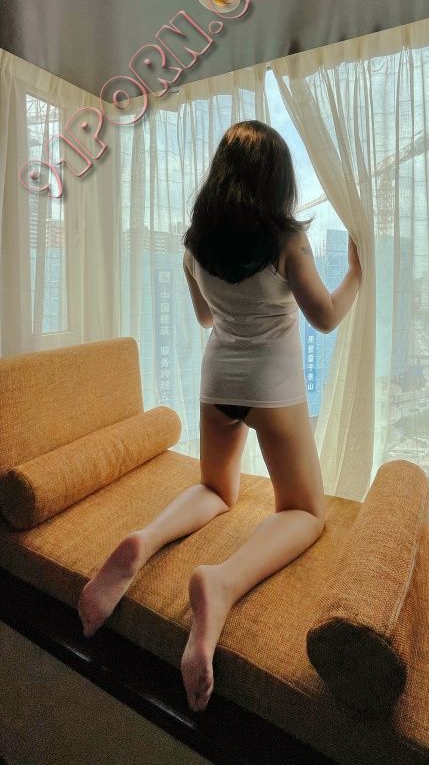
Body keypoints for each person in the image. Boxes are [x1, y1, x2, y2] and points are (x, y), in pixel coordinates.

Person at [77, 119, 362, 713]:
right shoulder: (287, 239)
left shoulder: (195, 244)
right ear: (277, 181)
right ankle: (222, 582)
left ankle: (145, 539)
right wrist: (357, 274)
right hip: (272, 388)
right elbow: (326, 316)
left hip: (219, 382)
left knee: (214, 487)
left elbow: (206, 317)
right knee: (306, 510)